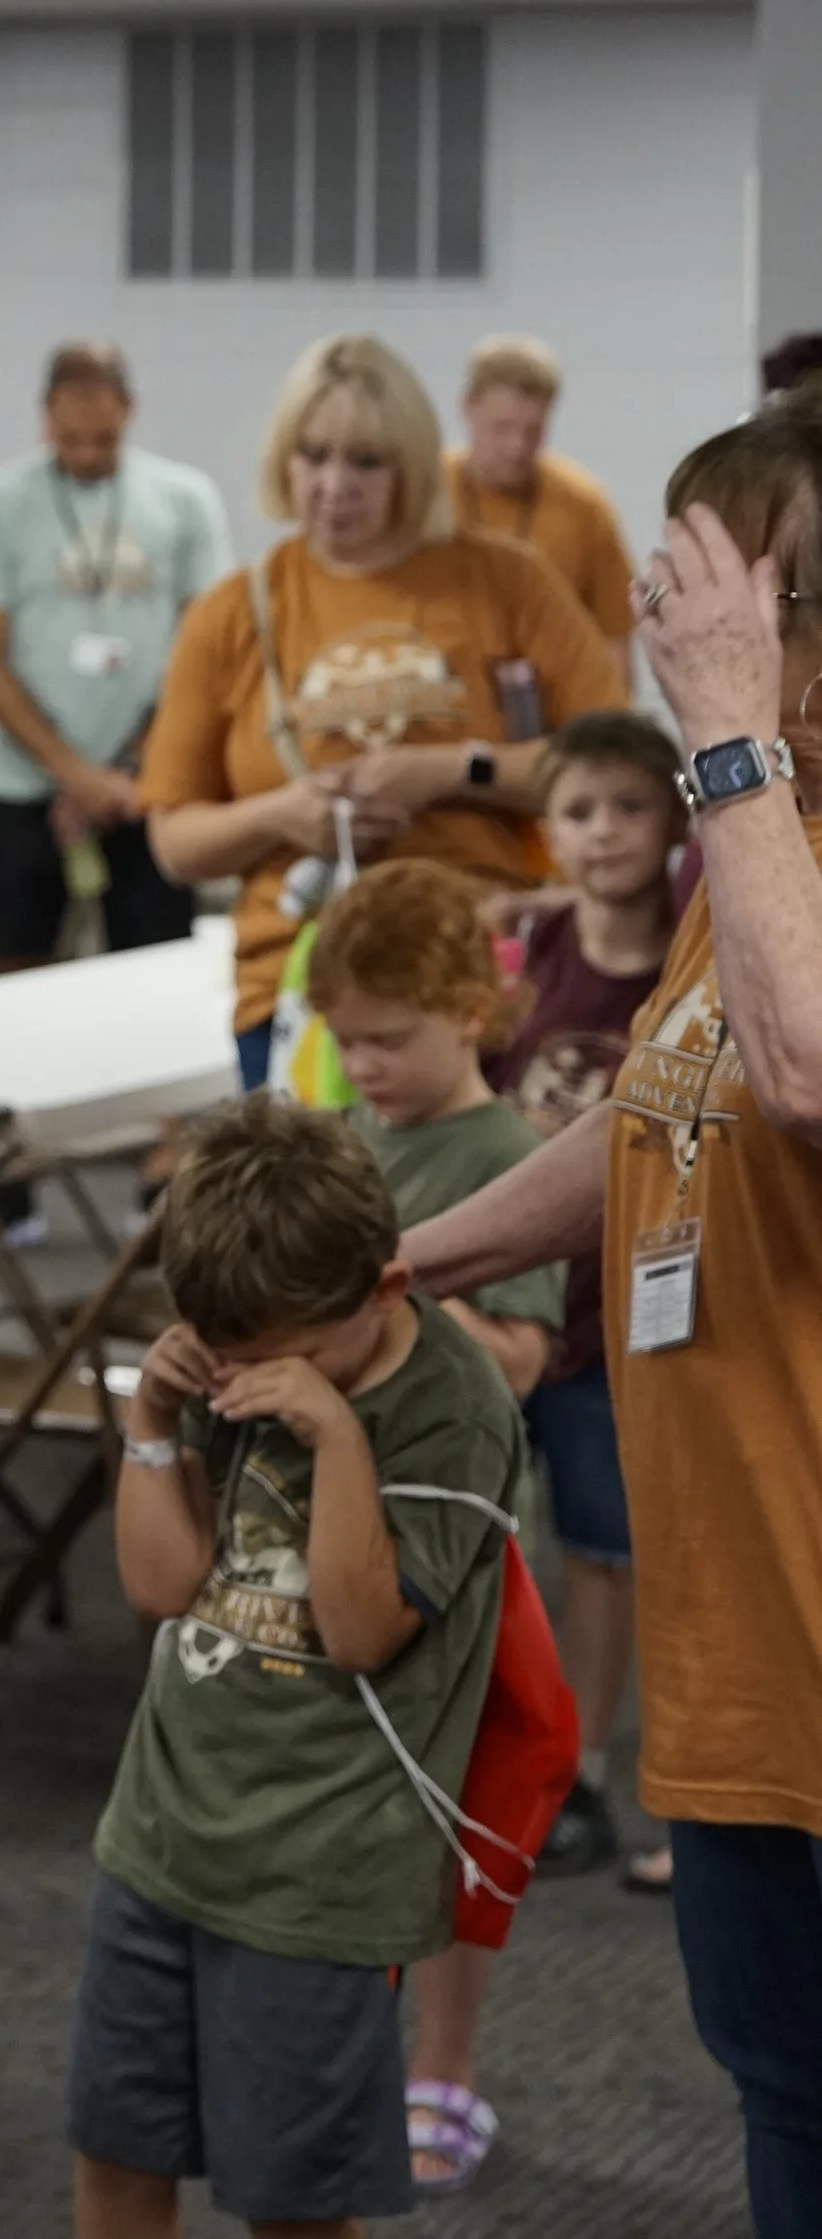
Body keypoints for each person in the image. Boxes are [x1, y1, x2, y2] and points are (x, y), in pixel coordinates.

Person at [401, 384, 822, 2239]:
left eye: (740, 594)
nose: (686, 626)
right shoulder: (761, 851)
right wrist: (406, 1260)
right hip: (746, 1659)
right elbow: (668, 1102)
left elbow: (805, 1069)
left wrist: (727, 738)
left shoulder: (760, 825)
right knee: (790, 2112)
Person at [64, 1098, 520, 2239]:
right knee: (116, 2155)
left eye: (285, 1355)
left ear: (382, 1286)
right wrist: (156, 1419)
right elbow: (162, 1585)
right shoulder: (233, 1346)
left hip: (320, 1871)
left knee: (295, 2208)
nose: (252, 1378)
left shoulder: (451, 1405)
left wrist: (335, 1435)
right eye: (229, 1355)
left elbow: (363, 1628)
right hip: (163, 1831)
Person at [141, 332, 627, 1087]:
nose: (334, 484)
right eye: (313, 456)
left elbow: (616, 765)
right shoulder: (232, 612)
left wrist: (454, 770)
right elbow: (175, 840)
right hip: (301, 986)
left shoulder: (508, 582)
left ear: (411, 463)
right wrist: (285, 815)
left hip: (480, 971)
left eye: (365, 461)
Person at [303, 862, 561, 2198]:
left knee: (458, 1811)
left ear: (471, 1008)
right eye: (345, 1040)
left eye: (388, 1039)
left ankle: (443, 2066)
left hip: (457, 1542)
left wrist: (388, 1293)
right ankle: (344, 2054)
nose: (364, 1066)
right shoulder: (341, 1138)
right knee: (339, 1808)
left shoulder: (512, 1159)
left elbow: (518, 1359)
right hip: (329, 1528)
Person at [489, 710, 687, 1883]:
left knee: (605, 1550)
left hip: (623, 1316)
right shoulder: (521, 953)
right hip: (510, 1300)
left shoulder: (693, 956)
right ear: (547, 830)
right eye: (577, 811)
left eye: (629, 807)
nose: (604, 832)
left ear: (672, 820)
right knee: (480, 1526)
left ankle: (584, 1774)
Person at [0, 341, 231, 974]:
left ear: (128, 410)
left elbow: (207, 649)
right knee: (17, 973)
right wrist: (74, 775)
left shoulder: (186, 498)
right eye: (69, 439)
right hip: (20, 784)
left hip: (147, 782)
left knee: (155, 967)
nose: (84, 455)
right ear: (45, 415)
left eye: (101, 440)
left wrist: (126, 770)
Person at [446, 334, 634, 658]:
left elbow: (614, 640)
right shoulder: (423, 494)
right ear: (467, 406)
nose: (516, 447)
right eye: (501, 428)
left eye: (533, 431)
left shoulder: (584, 506)